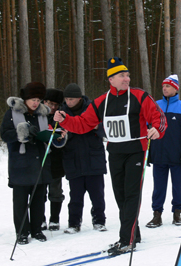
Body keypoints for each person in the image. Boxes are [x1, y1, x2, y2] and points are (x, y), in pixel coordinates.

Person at [54, 58, 167, 255]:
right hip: (115, 153)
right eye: (122, 75)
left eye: (128, 75)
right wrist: (65, 120)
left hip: (136, 153)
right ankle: (135, 233)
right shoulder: (101, 102)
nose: (127, 78)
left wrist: (157, 129)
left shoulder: (139, 96)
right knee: (120, 196)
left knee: (132, 195)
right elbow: (82, 124)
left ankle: (127, 239)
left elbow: (159, 117)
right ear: (111, 79)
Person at [0, 82, 57, 244]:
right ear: (25, 99)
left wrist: (53, 136)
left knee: (39, 200)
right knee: (20, 202)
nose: (35, 102)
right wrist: (22, 132)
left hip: (40, 163)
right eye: (32, 99)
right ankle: (22, 232)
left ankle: (37, 230)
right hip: (21, 164)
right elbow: (5, 134)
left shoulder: (43, 115)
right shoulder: (12, 113)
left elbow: (50, 132)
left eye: (38, 99)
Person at [146, 75, 181, 228]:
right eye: (163, 86)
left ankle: (177, 212)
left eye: (168, 86)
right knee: (158, 187)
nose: (164, 88)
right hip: (159, 155)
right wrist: (148, 151)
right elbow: (146, 128)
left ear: (176, 88)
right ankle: (157, 214)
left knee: (178, 186)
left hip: (178, 156)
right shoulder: (155, 106)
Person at [60, 83, 108, 234]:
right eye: (67, 99)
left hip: (94, 157)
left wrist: (96, 127)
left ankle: (99, 221)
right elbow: (55, 136)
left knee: (97, 195)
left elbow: (106, 129)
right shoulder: (61, 113)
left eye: (72, 99)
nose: (69, 102)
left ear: (79, 98)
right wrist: (62, 136)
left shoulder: (93, 108)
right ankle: (74, 223)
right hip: (73, 159)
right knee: (75, 196)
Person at [41, 88, 66, 231]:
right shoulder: (38, 116)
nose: (52, 107)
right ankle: (41, 218)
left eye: (56, 105)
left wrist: (62, 136)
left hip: (56, 159)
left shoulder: (61, 116)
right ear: (44, 102)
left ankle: (54, 219)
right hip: (41, 159)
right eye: (50, 104)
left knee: (55, 191)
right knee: (40, 192)